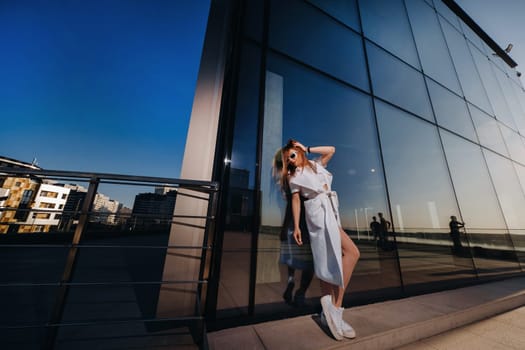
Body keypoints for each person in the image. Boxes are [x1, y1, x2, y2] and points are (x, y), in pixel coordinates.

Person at [278, 139, 360, 340]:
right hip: (316, 212)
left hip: (331, 211)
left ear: (299, 151)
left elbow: (332, 149)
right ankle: (335, 310)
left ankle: (332, 311)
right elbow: (296, 200)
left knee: (341, 256)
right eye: (288, 159)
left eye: (293, 155)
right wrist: (297, 226)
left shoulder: (315, 165)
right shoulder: (293, 177)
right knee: (342, 254)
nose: (291, 160)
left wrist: (306, 148)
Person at [273, 150, 314, 307]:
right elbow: (293, 202)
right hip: (307, 222)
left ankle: (291, 280)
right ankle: (301, 292)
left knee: (293, 257)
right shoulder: (297, 177)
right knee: (309, 263)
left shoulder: (287, 180)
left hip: (295, 223)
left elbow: (291, 204)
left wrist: (285, 227)